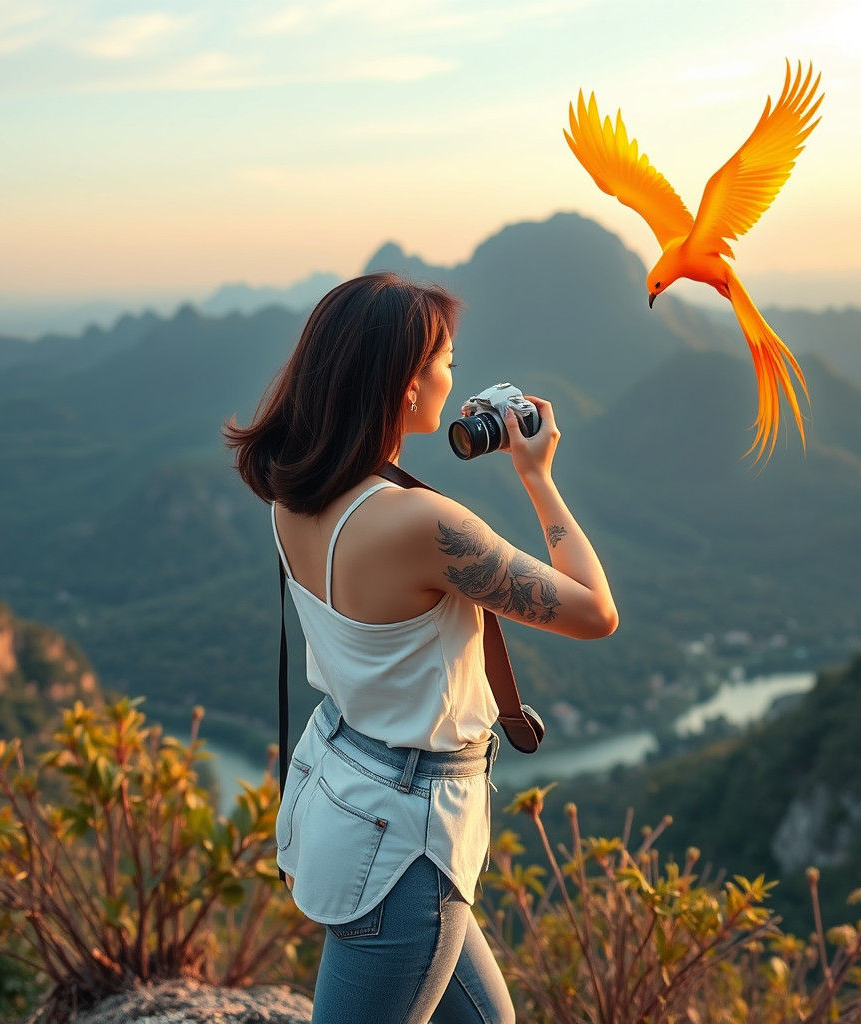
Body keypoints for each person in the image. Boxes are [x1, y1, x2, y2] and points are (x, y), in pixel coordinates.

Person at [222, 272, 618, 1024]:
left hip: (347, 784)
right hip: (407, 840)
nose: (450, 377)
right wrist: (538, 478)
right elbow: (596, 612)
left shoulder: (291, 488)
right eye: (446, 362)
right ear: (406, 385)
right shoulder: (421, 525)